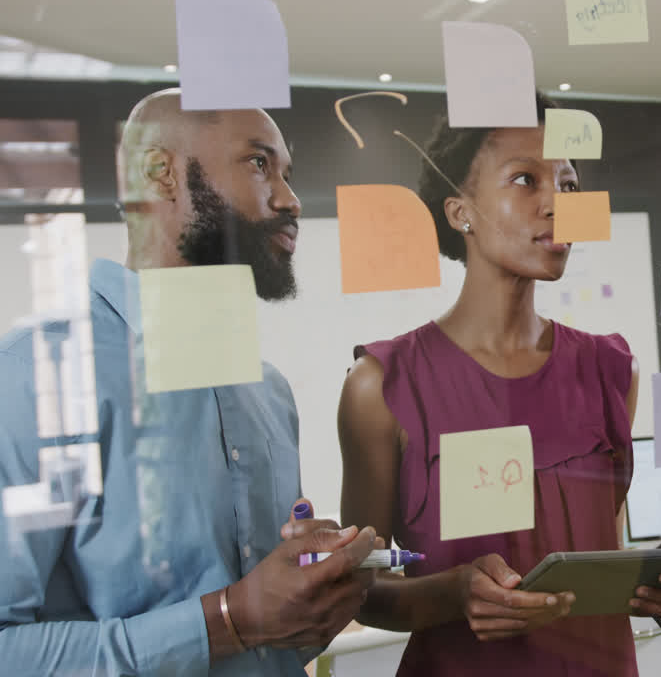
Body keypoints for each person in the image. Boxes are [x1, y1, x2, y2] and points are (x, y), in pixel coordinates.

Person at [338, 94, 661, 676]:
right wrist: (452, 593)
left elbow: (596, 555)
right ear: (459, 211)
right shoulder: (382, 387)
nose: (556, 205)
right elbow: (360, 590)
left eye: (569, 186)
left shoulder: (610, 371)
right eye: (525, 179)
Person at [0, 89, 379, 676]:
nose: (291, 199)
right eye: (259, 164)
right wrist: (231, 618)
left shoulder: (268, 390)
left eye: (288, 173)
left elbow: (280, 638)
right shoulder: (34, 376)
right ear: (161, 173)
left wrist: (313, 601)